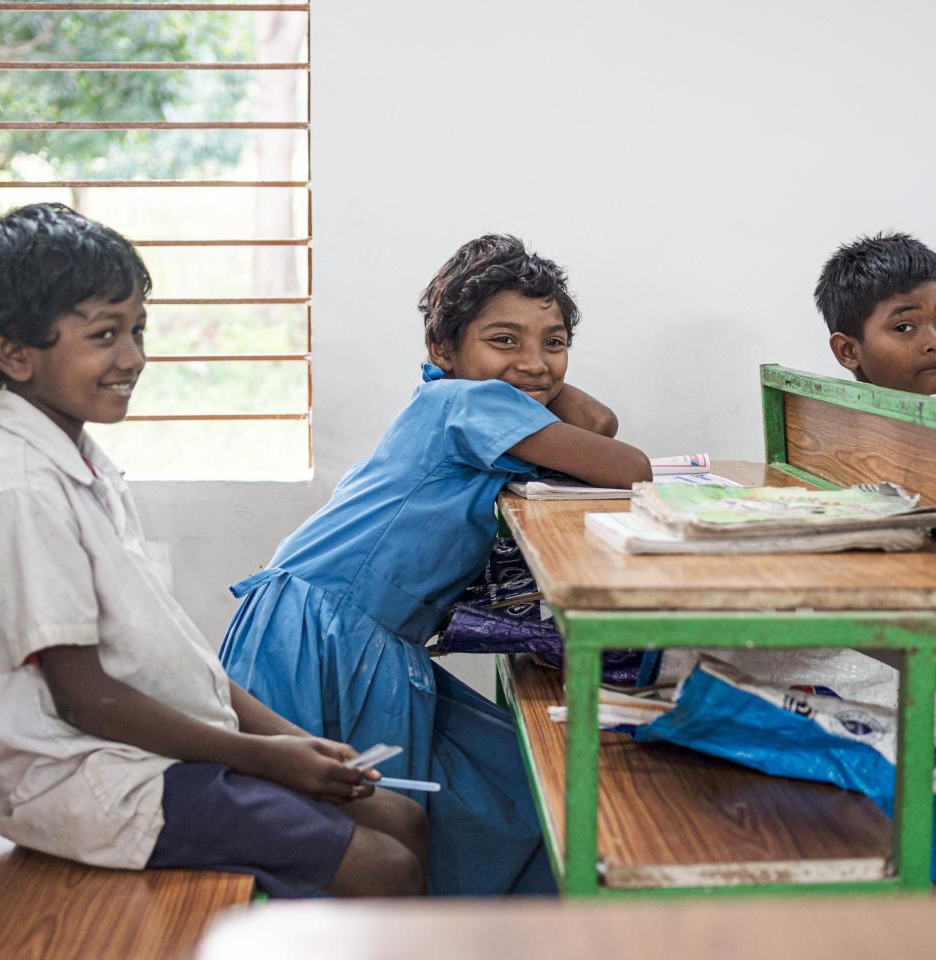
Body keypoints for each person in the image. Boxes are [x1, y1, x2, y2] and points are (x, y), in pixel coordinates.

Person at [0, 203, 426, 897]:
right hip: (91, 781)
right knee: (385, 867)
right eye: (105, 335)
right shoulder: (15, 490)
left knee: (401, 817)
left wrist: (291, 741)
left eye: (137, 330)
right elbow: (86, 701)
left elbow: (170, 657)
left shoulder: (81, 464)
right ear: (15, 351)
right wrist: (265, 758)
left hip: (148, 754)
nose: (133, 357)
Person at [222, 234, 651, 894]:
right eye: (504, 340)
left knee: (511, 791)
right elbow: (630, 466)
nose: (534, 362)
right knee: (329, 833)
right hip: (327, 635)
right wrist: (532, 377)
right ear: (441, 350)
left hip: (361, 635)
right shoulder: (466, 403)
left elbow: (600, 423)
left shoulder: (463, 398)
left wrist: (526, 370)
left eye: (555, 341)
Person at [813, 231, 936, 710]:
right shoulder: (859, 447)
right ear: (849, 351)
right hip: (933, 656)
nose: (935, 343)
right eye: (905, 328)